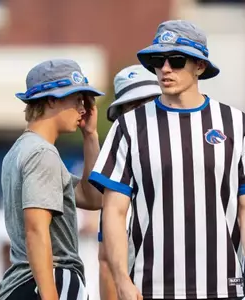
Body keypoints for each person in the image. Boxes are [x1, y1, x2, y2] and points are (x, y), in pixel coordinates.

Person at [90, 20, 245, 300]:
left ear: (200, 66)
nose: (165, 68)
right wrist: (122, 281)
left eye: (176, 60)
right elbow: (114, 213)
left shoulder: (236, 123)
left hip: (224, 288)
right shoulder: (129, 126)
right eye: (158, 60)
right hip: (150, 287)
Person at [0, 59, 104, 300]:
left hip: (25, 283)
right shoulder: (42, 153)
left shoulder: (20, 150)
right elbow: (36, 228)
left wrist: (90, 136)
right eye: (76, 98)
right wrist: (49, 295)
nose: (83, 108)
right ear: (51, 100)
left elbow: (94, 197)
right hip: (51, 280)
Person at [98, 64, 162, 300]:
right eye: (132, 106)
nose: (141, 113)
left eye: (147, 102)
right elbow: (106, 261)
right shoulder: (121, 177)